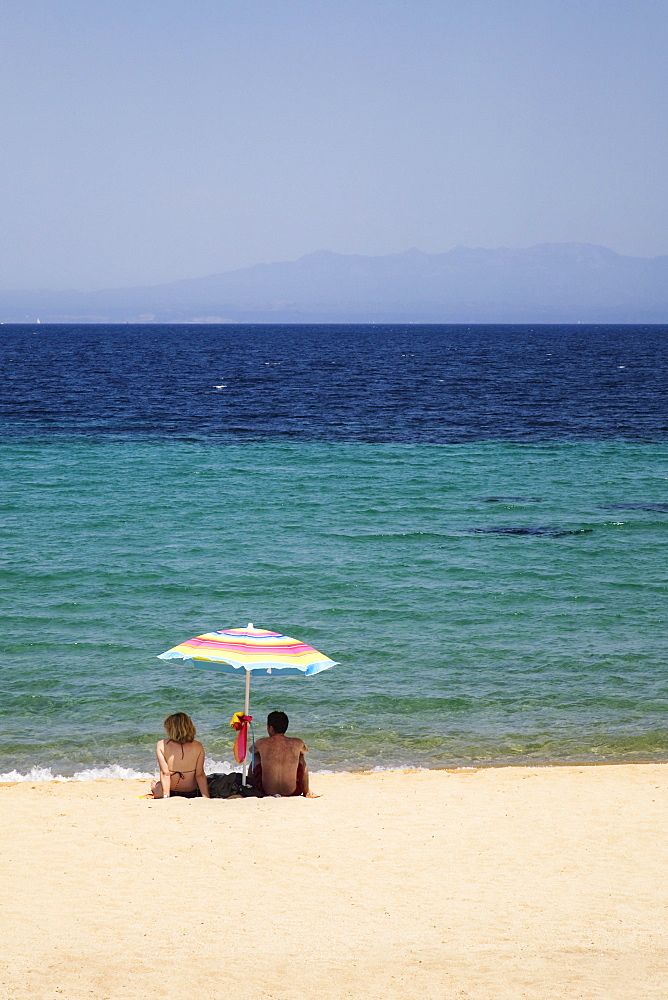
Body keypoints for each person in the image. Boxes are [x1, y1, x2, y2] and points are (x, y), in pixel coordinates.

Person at [252, 710, 314, 797]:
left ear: (271, 728)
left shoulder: (261, 742)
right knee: (301, 756)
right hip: (293, 791)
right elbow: (306, 750)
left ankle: (250, 787)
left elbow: (251, 750)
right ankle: (306, 791)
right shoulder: (297, 742)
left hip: (264, 791)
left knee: (256, 755)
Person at [150, 712, 210, 799]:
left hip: (171, 791)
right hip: (192, 791)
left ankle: (157, 790)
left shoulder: (161, 745)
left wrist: (166, 797)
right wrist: (206, 796)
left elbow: (165, 774)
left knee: (158, 785)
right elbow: (199, 775)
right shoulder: (198, 746)